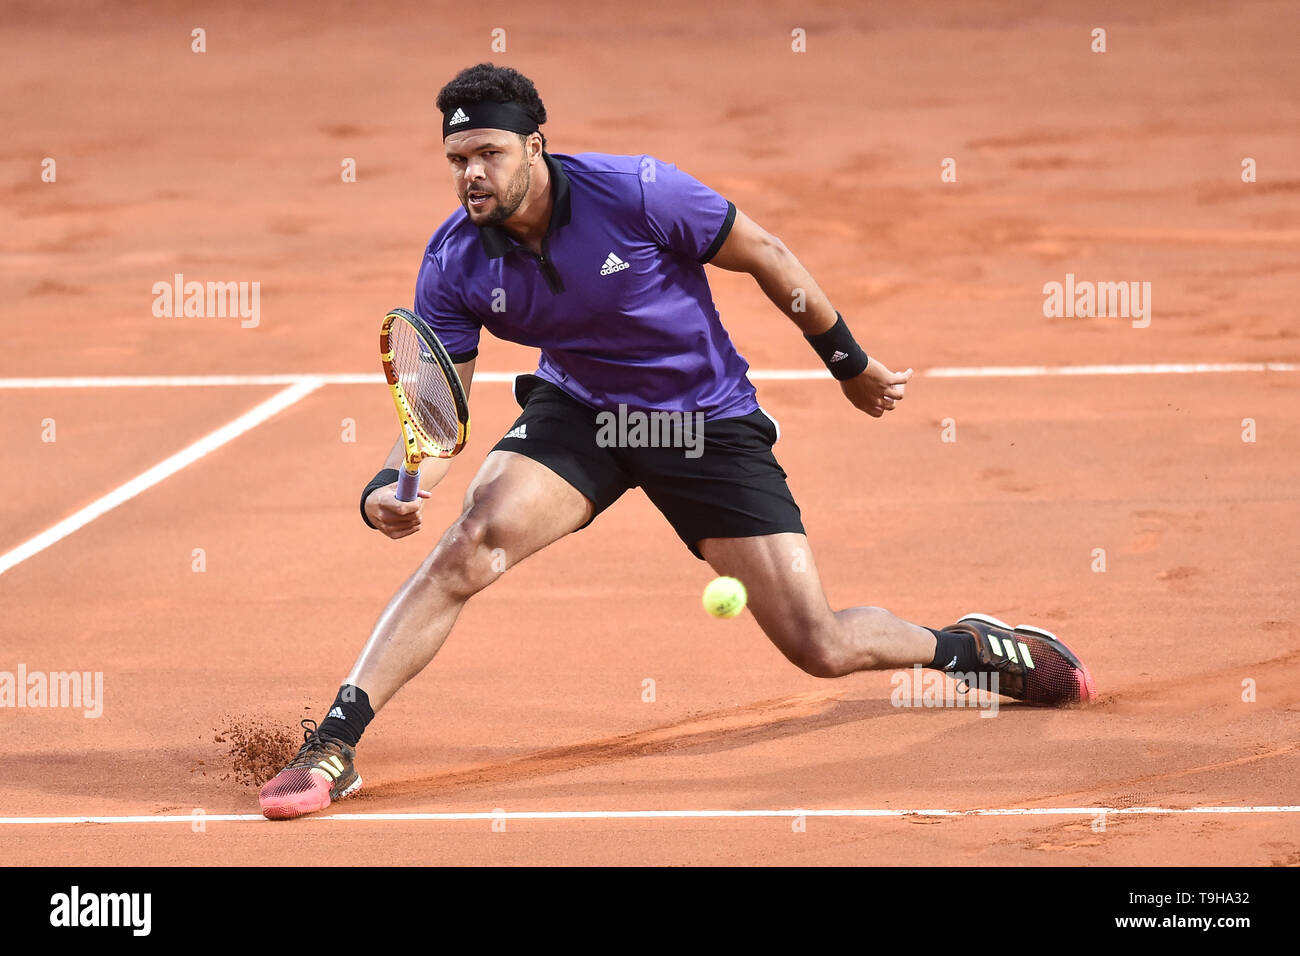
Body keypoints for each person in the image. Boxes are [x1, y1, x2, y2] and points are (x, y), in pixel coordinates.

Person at [258, 63, 1094, 820]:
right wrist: (394, 485)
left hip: (703, 423)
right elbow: (442, 418)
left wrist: (848, 361)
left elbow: (764, 253)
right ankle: (334, 743)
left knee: (821, 644)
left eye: (488, 153)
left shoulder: (641, 193)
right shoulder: (454, 262)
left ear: (535, 146)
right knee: (468, 543)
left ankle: (970, 649)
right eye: (456, 160)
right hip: (582, 412)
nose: (472, 174)